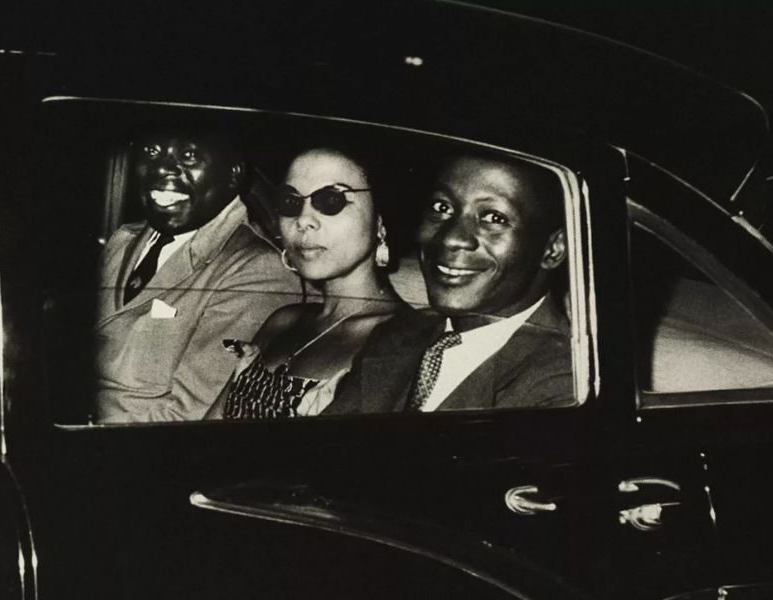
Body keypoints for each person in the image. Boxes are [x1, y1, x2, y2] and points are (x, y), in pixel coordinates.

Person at [325, 152, 572, 414]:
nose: (451, 239)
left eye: (493, 218)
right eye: (442, 208)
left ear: (552, 250)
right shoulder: (398, 333)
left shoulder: (568, 381)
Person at [94, 130, 302, 422]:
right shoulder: (123, 240)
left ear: (233, 175)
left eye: (188, 155)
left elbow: (188, 418)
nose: (162, 168)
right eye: (152, 152)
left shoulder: (257, 269)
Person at [205, 148, 404, 419]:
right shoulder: (283, 321)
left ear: (380, 223)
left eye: (331, 200)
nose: (303, 220)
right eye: (291, 202)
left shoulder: (402, 341)